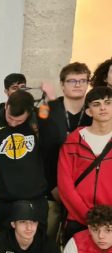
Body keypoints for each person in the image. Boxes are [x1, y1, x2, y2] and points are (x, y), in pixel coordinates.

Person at [40, 62, 92, 242]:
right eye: (72, 81)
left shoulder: (94, 112)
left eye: (82, 80)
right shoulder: (48, 109)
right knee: (47, 240)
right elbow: (42, 152)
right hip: (52, 187)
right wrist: (52, 185)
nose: (78, 85)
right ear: (62, 84)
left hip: (84, 190)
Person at [58, 86, 112, 243]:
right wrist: (87, 216)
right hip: (78, 219)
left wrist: (106, 220)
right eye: (96, 104)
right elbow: (65, 184)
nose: (103, 107)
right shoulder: (73, 141)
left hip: (110, 222)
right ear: (89, 111)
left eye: (108, 102)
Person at [0, 89, 48, 230]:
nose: (13, 124)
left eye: (19, 120)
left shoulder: (37, 122)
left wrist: (50, 99)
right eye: (10, 118)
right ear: (6, 105)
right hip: (2, 201)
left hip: (34, 199)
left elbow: (57, 138)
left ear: (30, 113)